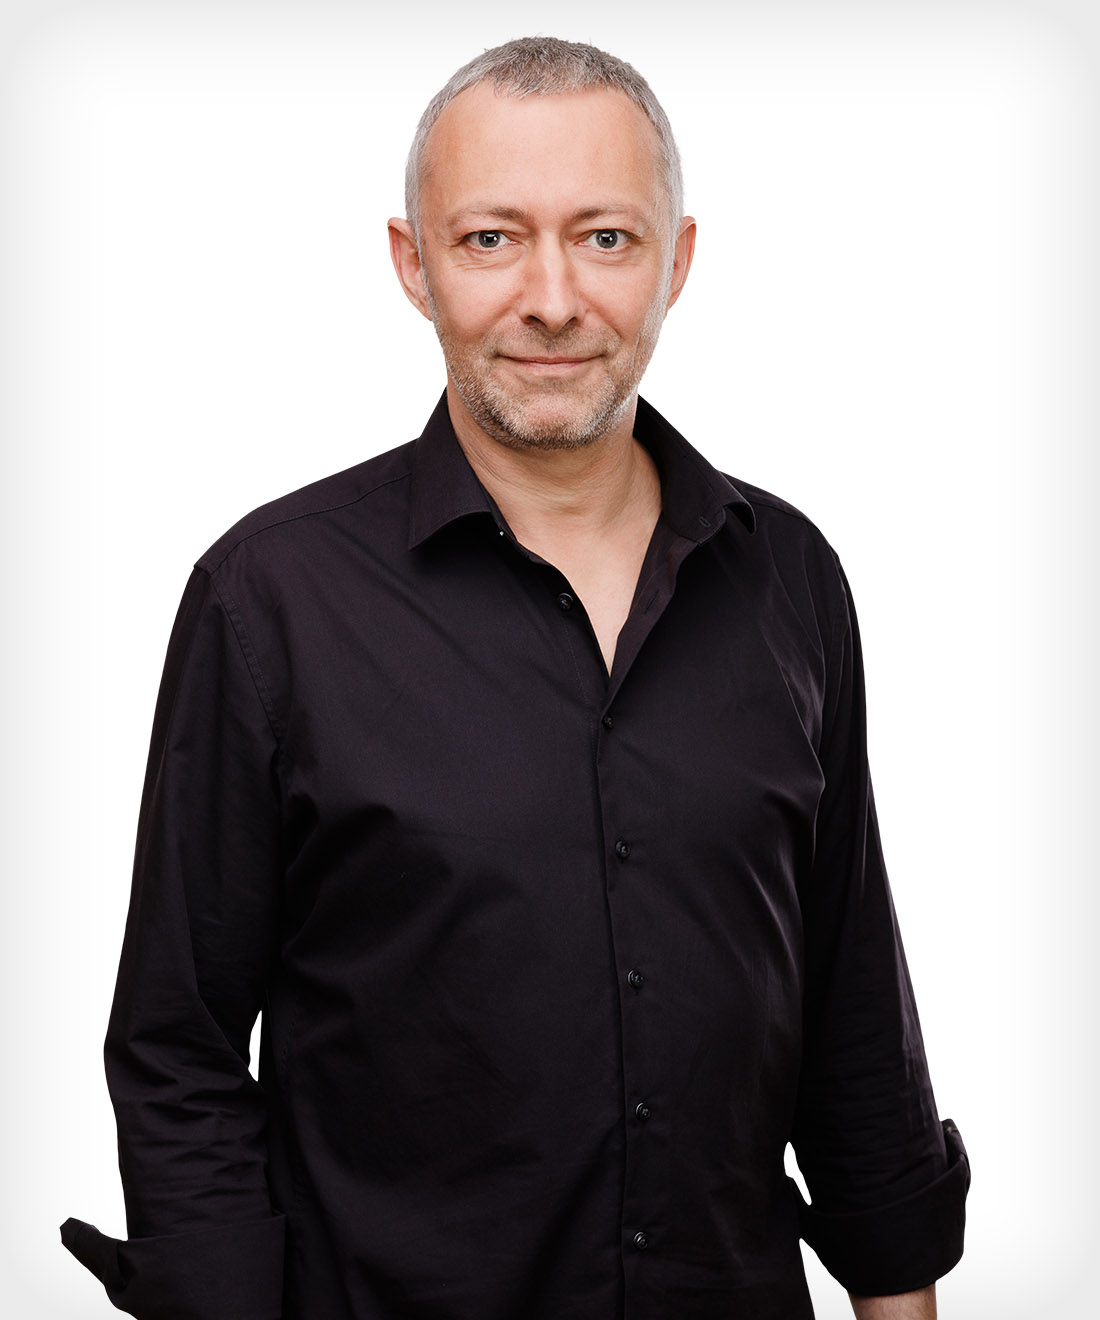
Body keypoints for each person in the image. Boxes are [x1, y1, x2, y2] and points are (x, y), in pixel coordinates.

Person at [62, 35, 968, 1320]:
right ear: (413, 264)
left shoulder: (790, 578)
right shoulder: (268, 599)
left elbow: (846, 987)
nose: (551, 299)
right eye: (490, 239)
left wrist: (896, 1288)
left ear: (676, 262)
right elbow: (179, 1048)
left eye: (604, 238)